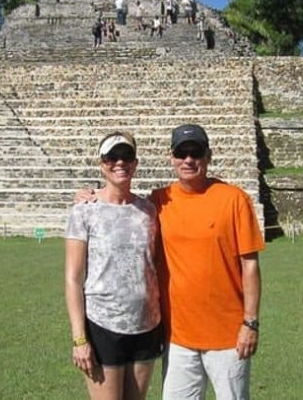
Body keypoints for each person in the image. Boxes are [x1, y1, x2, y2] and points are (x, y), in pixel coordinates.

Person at [77, 124, 265, 399]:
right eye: (181, 152)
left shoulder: (234, 199)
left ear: (208, 156)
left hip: (229, 338)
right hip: (178, 338)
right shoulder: (159, 201)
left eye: (196, 152)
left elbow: (250, 265)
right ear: (172, 157)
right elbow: (121, 200)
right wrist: (90, 193)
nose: (188, 159)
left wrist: (250, 323)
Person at [65, 132, 164, 400]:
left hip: (146, 325)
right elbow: (73, 278)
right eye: (112, 157)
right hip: (103, 325)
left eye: (126, 156)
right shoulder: (85, 210)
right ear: (102, 164)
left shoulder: (149, 210)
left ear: (136, 162)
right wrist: (79, 339)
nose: (120, 163)